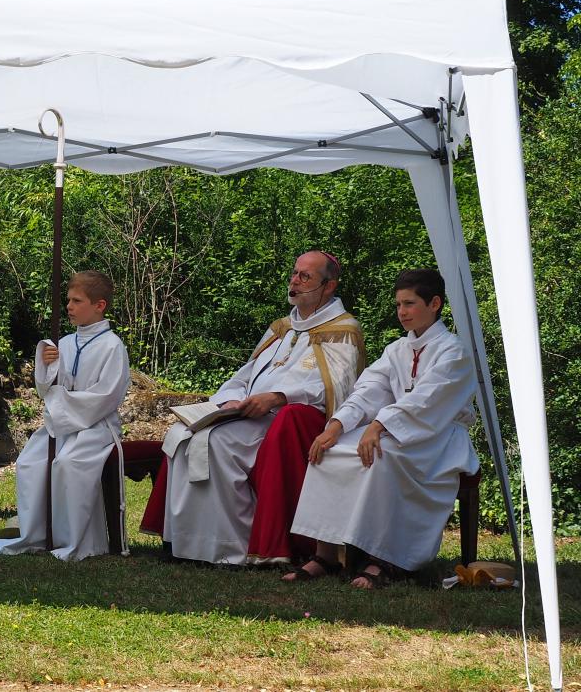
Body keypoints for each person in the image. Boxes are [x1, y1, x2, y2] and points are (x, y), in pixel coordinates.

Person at [143, 251, 364, 565]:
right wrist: (229, 400)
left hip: (288, 425)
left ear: (329, 287)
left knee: (216, 444)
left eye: (306, 277)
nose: (294, 281)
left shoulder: (342, 330)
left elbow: (335, 388)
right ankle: (184, 542)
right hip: (247, 414)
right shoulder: (282, 328)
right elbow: (247, 373)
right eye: (294, 273)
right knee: (182, 436)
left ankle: (231, 546)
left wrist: (276, 397)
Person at [284, 269, 480, 588]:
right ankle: (327, 553)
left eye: (410, 304)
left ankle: (386, 559)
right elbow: (369, 389)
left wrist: (379, 424)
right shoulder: (398, 350)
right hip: (397, 429)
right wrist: (336, 425)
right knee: (329, 451)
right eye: (398, 304)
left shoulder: (453, 351)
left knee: (381, 456)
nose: (402, 312)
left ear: (435, 304)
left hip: (439, 439)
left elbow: (427, 401)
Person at [0, 271, 132, 561]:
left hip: (97, 426)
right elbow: (49, 390)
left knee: (69, 463)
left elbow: (106, 396)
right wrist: (47, 368)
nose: (68, 306)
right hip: (62, 424)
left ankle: (77, 540)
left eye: (76, 300)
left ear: (100, 305)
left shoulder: (112, 346)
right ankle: (38, 534)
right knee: (30, 461)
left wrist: (64, 402)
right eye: (67, 300)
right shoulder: (65, 343)